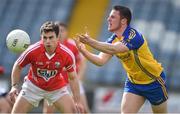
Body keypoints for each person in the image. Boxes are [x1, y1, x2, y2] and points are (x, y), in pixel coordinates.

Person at [75, 5, 168, 113]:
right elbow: (100, 60)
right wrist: (83, 51)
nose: (108, 19)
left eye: (113, 17)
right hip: (134, 83)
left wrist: (90, 42)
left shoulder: (133, 35)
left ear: (123, 21)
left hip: (154, 81)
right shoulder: (113, 39)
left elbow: (115, 49)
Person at [8, 21, 84, 113]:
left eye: (51, 37)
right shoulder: (32, 50)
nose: (47, 41)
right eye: (45, 38)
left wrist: (78, 101)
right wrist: (14, 86)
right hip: (33, 86)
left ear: (57, 37)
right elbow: (18, 66)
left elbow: (73, 78)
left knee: (73, 112)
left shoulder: (67, 54)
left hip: (56, 88)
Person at [43, 22, 90, 113]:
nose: (60, 33)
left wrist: (78, 80)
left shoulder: (73, 45)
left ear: (67, 32)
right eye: (57, 31)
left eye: (62, 31)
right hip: (54, 83)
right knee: (48, 111)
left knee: (84, 110)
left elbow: (83, 62)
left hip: (71, 83)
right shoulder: (47, 46)